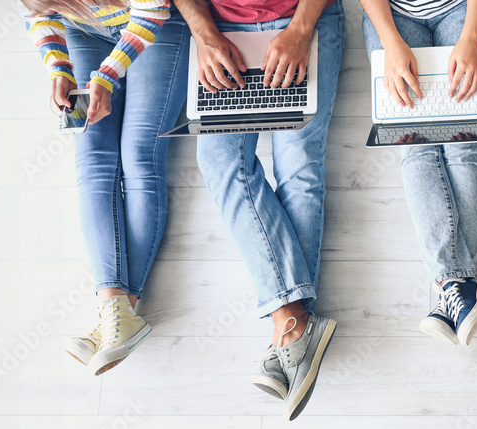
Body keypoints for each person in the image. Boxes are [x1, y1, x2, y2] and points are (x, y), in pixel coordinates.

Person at [173, 0, 343, 420]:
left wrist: (302, 30)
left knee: (299, 164)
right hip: (222, 31)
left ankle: (287, 332)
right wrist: (203, 32)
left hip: (307, 17)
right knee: (219, 161)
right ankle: (295, 324)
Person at [24, 0, 190, 375]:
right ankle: (115, 309)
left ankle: (116, 317)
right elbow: (38, 13)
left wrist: (106, 77)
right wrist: (58, 67)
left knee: (139, 155)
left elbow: (154, 10)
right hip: (85, 29)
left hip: (158, 21)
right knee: (92, 158)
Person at [357, 0, 477, 346]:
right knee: (413, 141)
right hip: (393, 13)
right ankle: (458, 287)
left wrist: (472, 34)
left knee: (462, 138)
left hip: (464, 8)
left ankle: (447, 287)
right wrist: (390, 41)